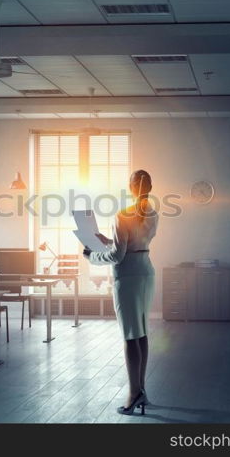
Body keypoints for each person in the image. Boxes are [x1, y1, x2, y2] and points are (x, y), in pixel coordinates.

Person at [84, 169, 158, 415]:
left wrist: (92, 255)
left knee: (129, 335)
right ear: (149, 187)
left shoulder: (122, 215)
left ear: (130, 188)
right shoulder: (153, 213)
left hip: (127, 277)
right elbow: (134, 244)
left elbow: (118, 255)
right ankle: (142, 390)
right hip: (146, 272)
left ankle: (133, 393)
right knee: (142, 332)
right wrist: (109, 240)